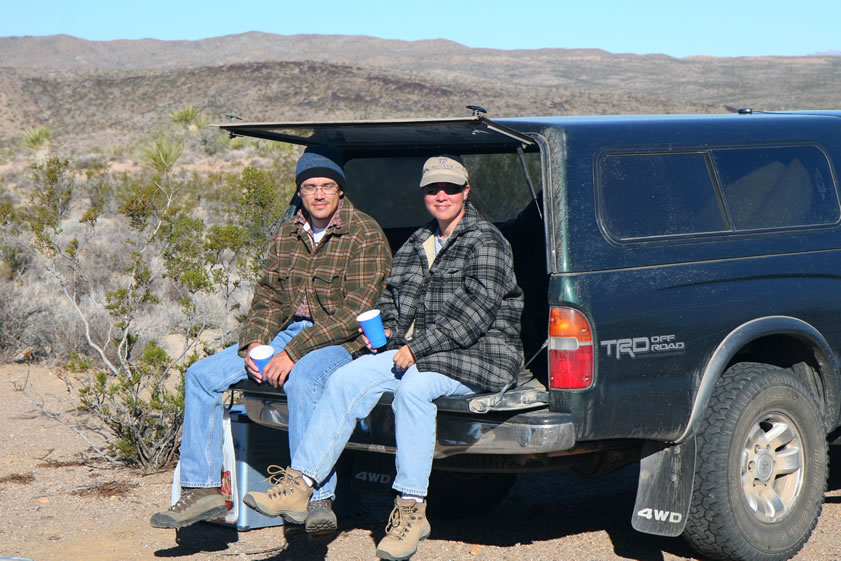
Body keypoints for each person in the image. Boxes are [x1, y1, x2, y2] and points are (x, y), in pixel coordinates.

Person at [242, 155, 524, 560]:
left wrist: (415, 348)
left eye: (449, 188)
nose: (440, 195)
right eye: (432, 189)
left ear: (466, 192)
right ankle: (300, 484)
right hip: (417, 351)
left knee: (415, 389)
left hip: (480, 354)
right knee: (346, 378)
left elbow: (475, 315)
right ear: (424, 194)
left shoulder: (487, 242)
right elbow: (392, 296)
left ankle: (410, 510)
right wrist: (388, 330)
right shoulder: (418, 241)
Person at [149, 145, 392, 535]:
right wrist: (254, 346)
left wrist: (292, 353)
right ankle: (203, 489)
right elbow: (268, 298)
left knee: (304, 379)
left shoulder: (364, 234)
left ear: (340, 191)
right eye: (310, 186)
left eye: (327, 186)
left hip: (340, 340)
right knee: (201, 375)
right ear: (300, 191)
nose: (318, 195)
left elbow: (353, 314)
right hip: (287, 333)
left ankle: (316, 498)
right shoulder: (288, 232)